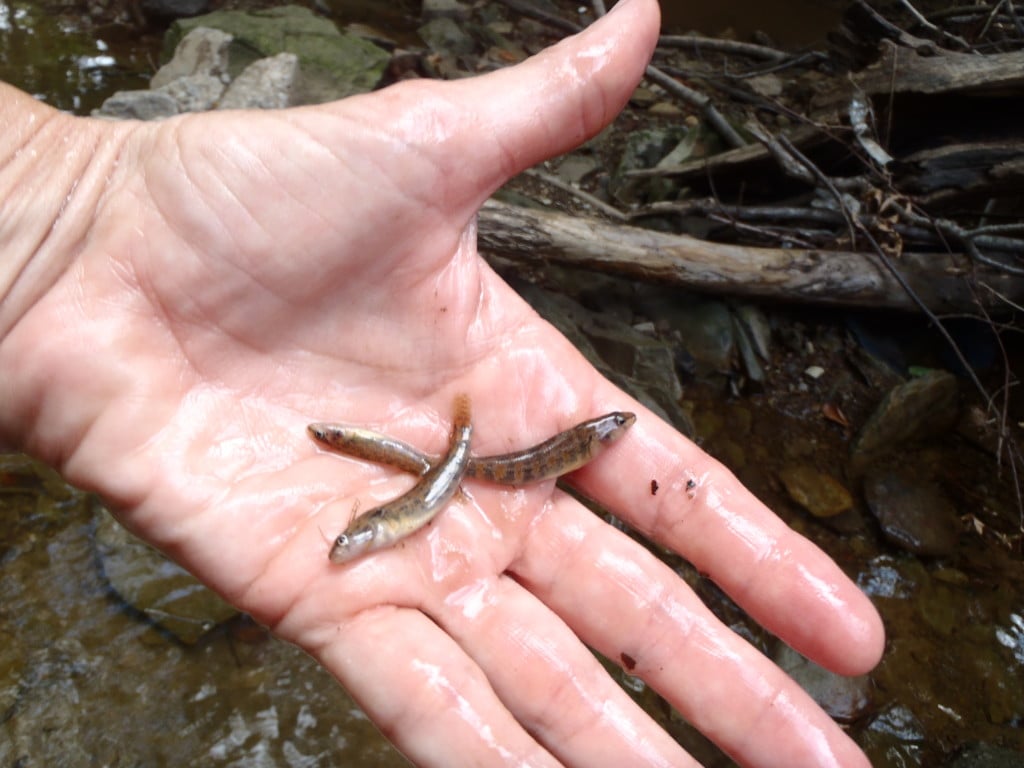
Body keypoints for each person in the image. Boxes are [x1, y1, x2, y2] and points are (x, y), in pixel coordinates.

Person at [0, 0, 883, 764]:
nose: (349, 547)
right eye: (354, 543)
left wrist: (62, 209)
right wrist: (63, 216)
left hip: (457, 458)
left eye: (354, 541)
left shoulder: (524, 456)